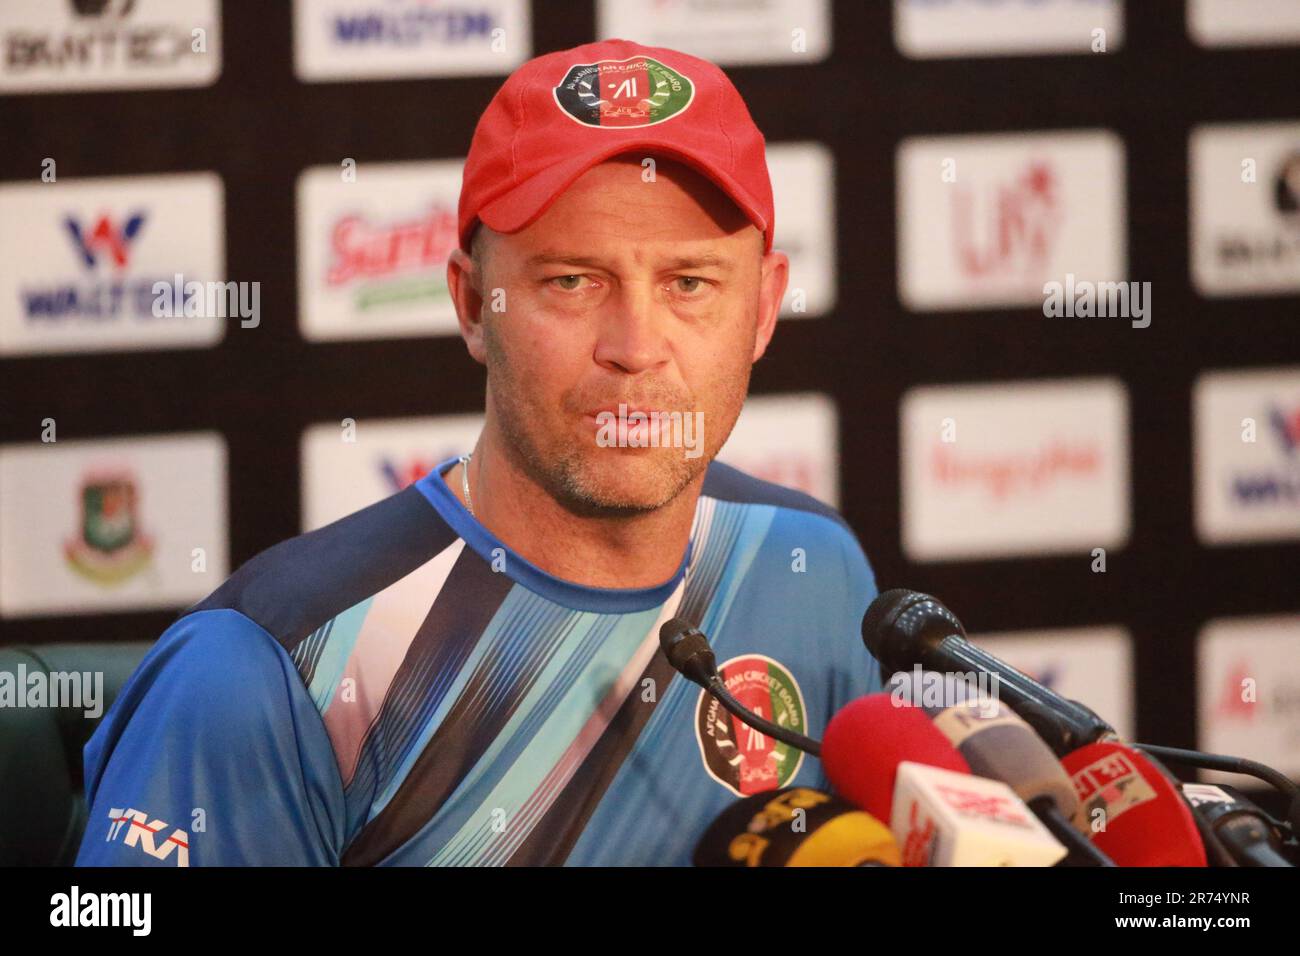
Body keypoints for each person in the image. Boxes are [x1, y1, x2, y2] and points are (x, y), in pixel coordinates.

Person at [76, 38, 883, 867]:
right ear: (471, 304)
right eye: (572, 281)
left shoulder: (811, 566)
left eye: (690, 284)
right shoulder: (263, 672)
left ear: (763, 310)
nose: (637, 347)